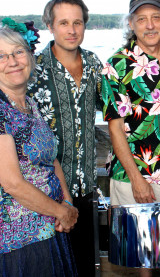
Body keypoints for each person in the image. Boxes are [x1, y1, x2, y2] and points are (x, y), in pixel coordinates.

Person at [27, 0, 103, 276]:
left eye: (78, 22)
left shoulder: (95, 64)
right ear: (50, 26)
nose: (71, 30)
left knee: (84, 266)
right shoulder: (32, 69)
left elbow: (114, 109)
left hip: (84, 190)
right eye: (63, 23)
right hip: (46, 192)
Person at [0, 22, 78, 276]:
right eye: (1, 56)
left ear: (30, 56)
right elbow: (12, 183)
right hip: (19, 241)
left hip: (50, 228)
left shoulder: (31, 104)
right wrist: (61, 212)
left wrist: (66, 202)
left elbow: (51, 159)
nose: (12, 61)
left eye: (18, 52)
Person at [101, 0, 160, 206]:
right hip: (134, 178)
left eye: (156, 17)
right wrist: (136, 179)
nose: (150, 25)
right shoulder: (116, 64)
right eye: (141, 19)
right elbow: (115, 128)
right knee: (135, 240)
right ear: (131, 24)